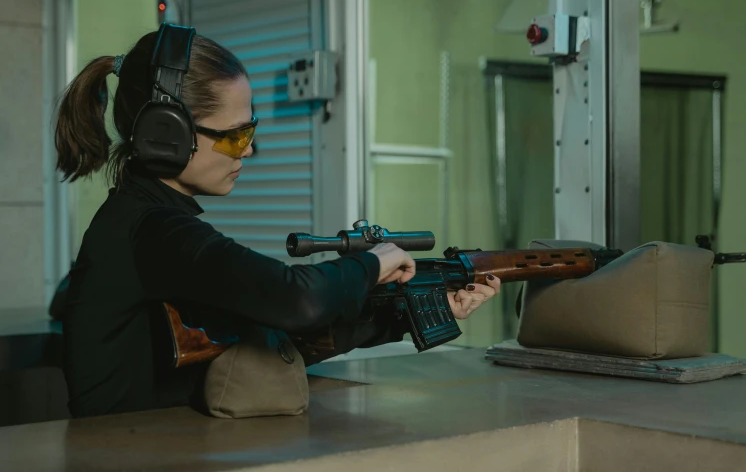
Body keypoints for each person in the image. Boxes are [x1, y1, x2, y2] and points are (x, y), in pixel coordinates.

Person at [53, 24, 501, 419]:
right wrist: (375, 261)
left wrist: (409, 310)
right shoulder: (152, 231)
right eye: (235, 136)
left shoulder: (149, 221)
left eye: (251, 131)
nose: (248, 150)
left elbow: (280, 334)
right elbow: (296, 301)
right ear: (166, 136)